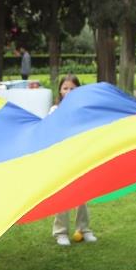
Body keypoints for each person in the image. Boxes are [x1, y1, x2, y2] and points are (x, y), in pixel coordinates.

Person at [50, 74, 97, 245]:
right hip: (62, 158)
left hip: (80, 156)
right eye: (65, 88)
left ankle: (83, 229)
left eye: (73, 88)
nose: (69, 92)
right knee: (63, 194)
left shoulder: (84, 110)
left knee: (82, 194)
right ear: (60, 91)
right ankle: (60, 231)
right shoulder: (55, 110)